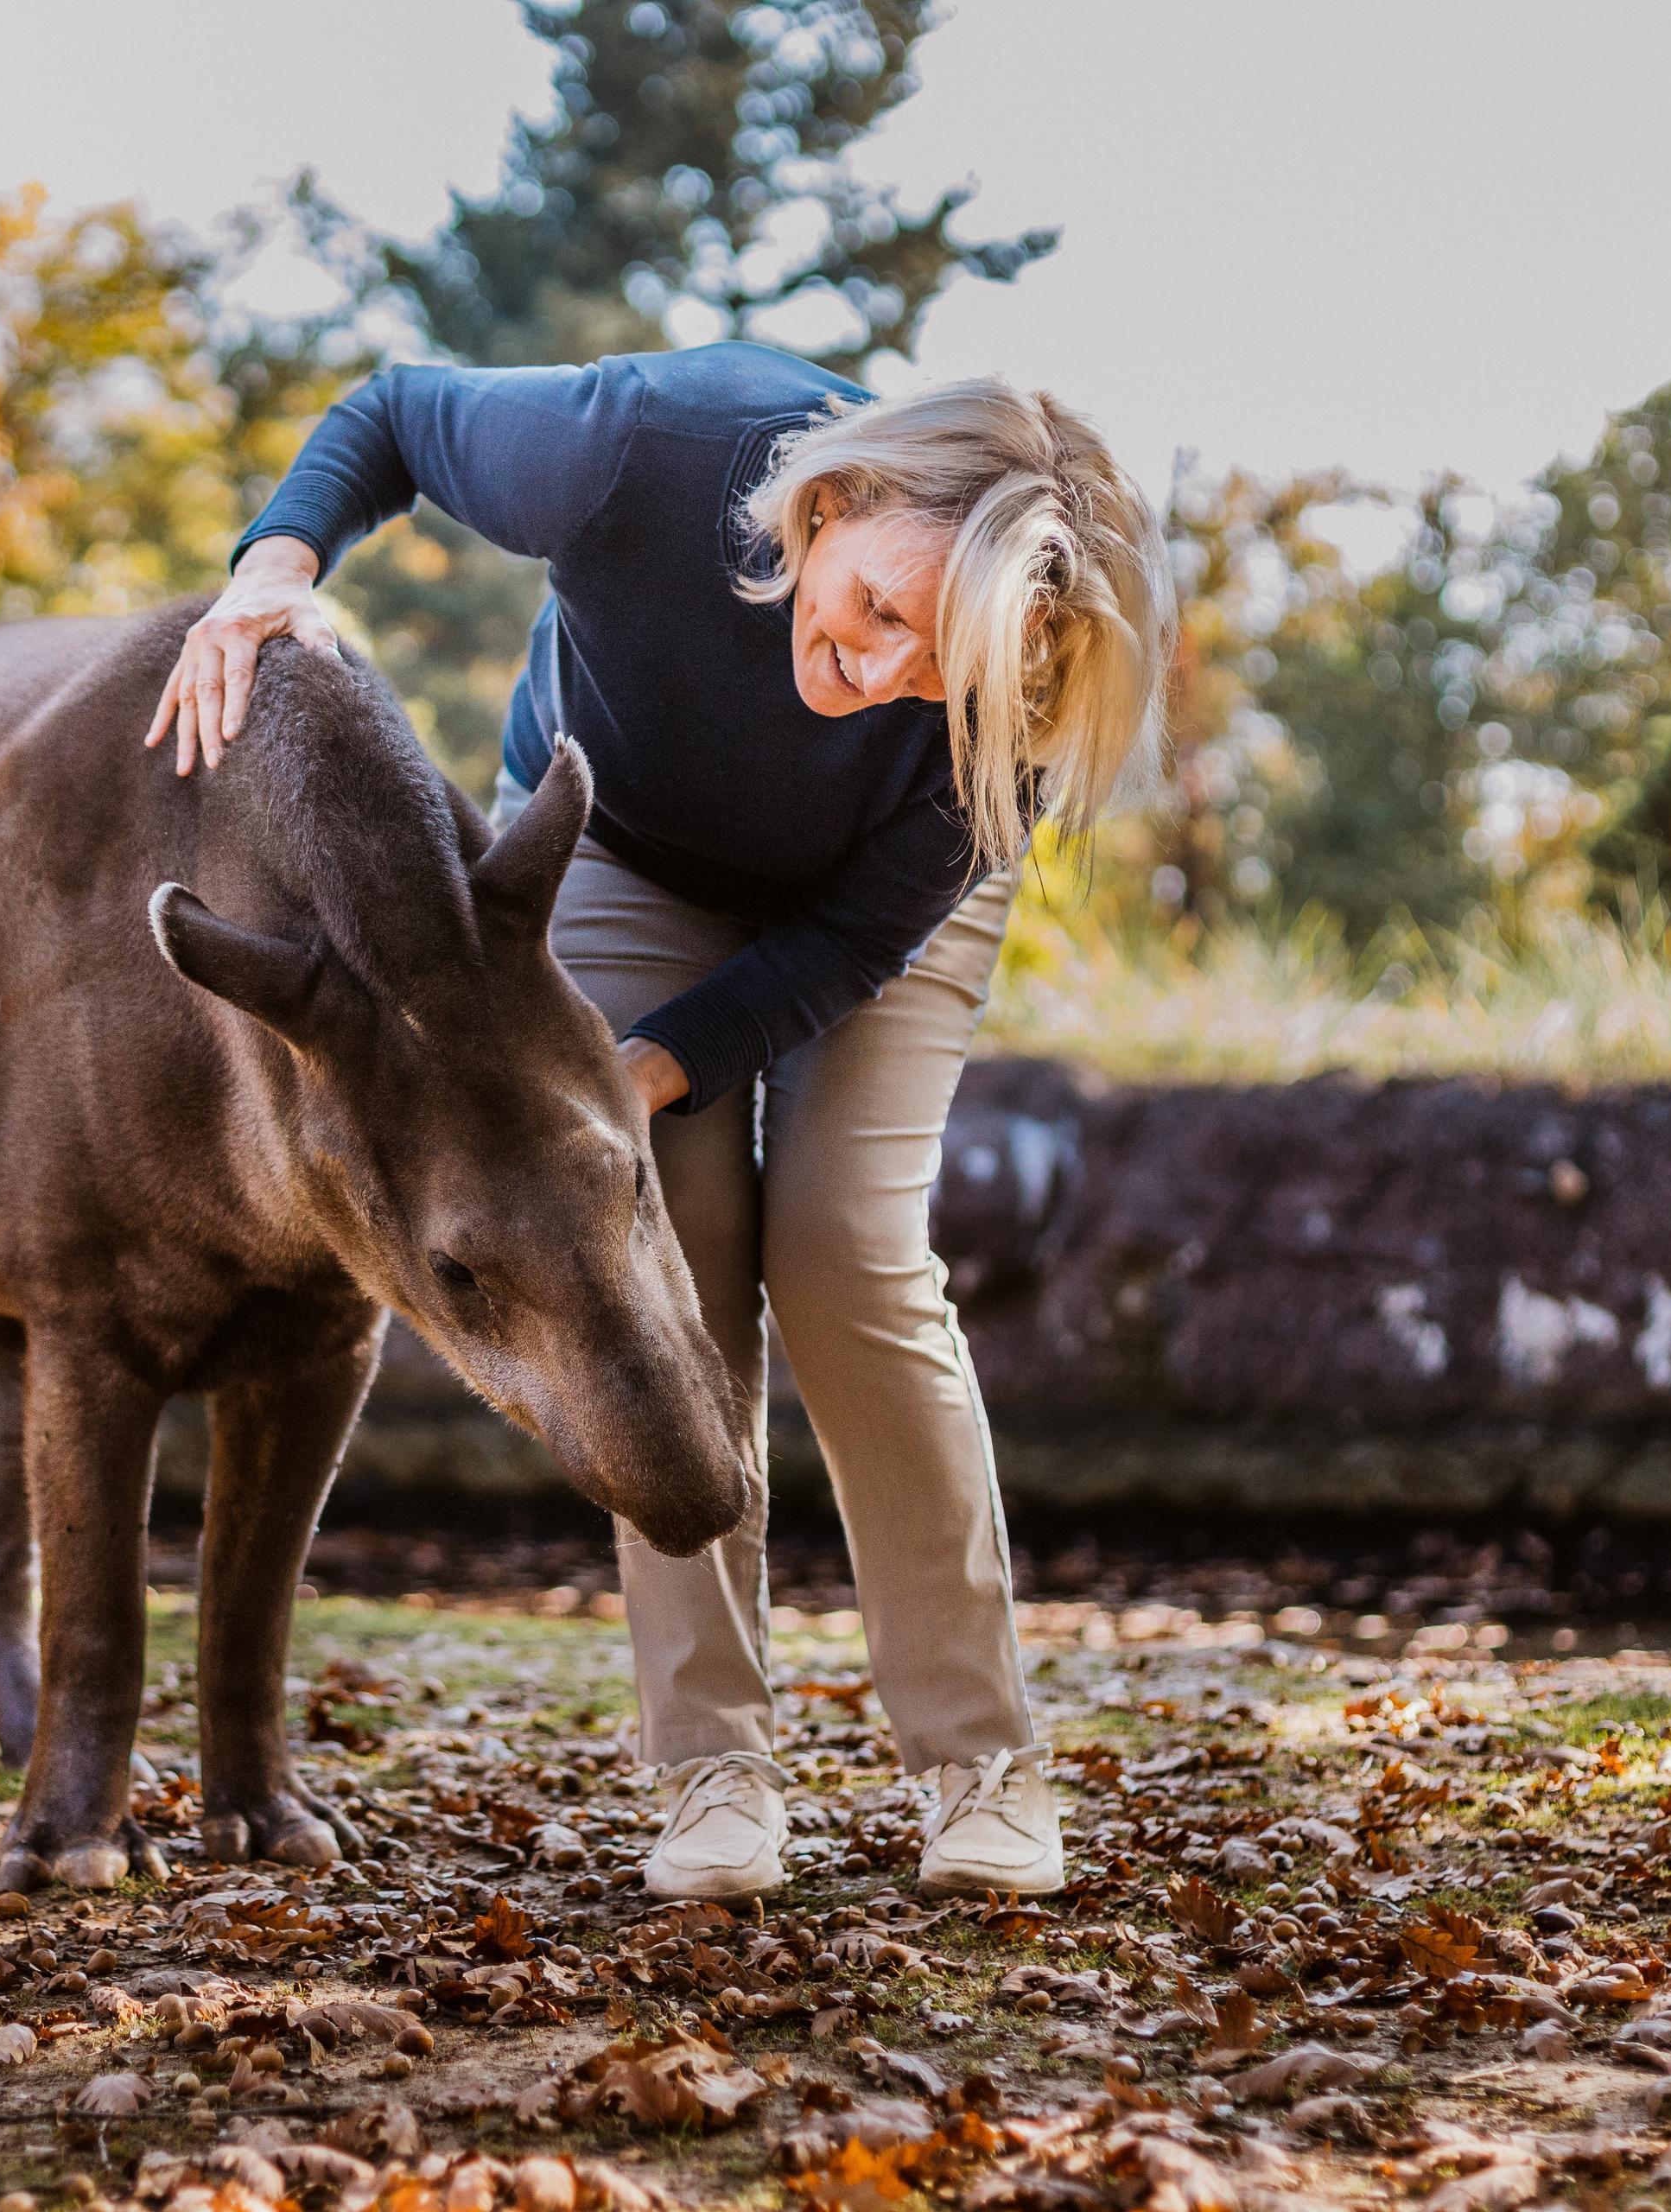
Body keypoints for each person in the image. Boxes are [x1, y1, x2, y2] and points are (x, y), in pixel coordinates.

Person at [143, 341, 1172, 1899]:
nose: (880, 676)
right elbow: (397, 413)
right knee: (657, 1244)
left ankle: (978, 1762)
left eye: (931, 667)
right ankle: (713, 1772)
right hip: (618, 842)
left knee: (842, 1256)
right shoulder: (652, 449)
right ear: (833, 501)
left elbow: (835, 955)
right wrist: (269, 576)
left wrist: (662, 1066)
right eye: (880, 611)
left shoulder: (999, 710)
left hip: (868, 926)